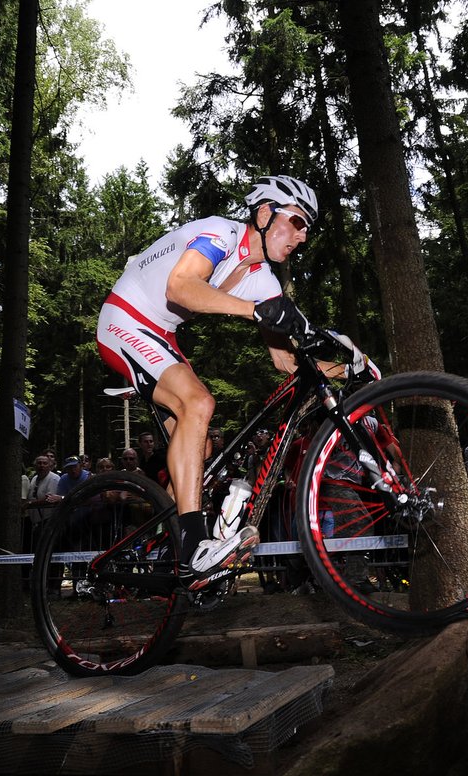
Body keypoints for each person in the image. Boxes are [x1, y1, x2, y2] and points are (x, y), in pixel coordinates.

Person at [95, 174, 332, 583]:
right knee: (200, 403)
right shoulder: (218, 233)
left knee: (200, 447)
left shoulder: (263, 279)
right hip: (124, 319)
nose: (303, 236)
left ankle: (156, 547)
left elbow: (284, 359)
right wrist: (253, 311)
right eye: (297, 221)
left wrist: (344, 368)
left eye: (308, 227)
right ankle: (193, 545)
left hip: (159, 335)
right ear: (264, 213)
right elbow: (181, 286)